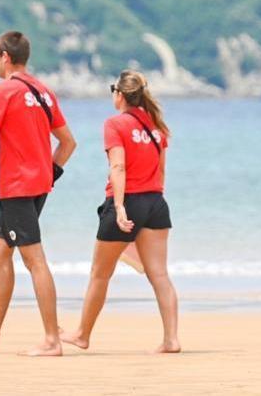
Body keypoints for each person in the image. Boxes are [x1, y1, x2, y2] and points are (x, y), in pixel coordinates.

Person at [0, 30, 76, 356]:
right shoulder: (44, 92)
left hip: (17, 188)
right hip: (38, 185)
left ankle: (52, 339)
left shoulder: (3, 91)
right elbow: (68, 143)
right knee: (0, 249)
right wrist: (49, 175)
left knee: (34, 259)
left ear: (5, 56)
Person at [61, 69, 181, 354]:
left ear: (119, 94)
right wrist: (150, 202)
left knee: (100, 274)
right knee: (160, 275)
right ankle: (171, 340)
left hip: (128, 200)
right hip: (155, 202)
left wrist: (119, 207)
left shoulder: (115, 124)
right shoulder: (157, 127)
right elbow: (161, 171)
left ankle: (81, 334)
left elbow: (118, 166)